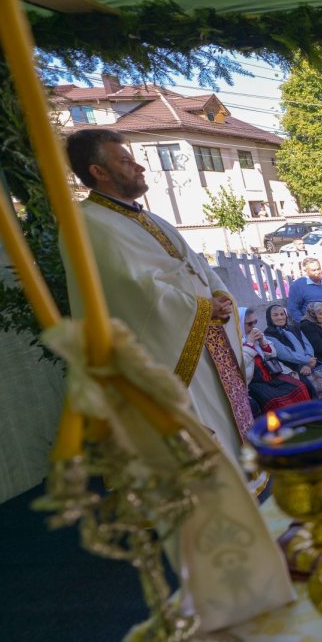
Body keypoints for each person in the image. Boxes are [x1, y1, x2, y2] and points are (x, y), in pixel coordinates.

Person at [64, 129, 252, 455]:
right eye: (126, 162)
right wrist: (203, 308)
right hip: (172, 349)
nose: (139, 168)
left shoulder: (150, 217)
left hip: (208, 339)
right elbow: (132, 291)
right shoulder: (87, 223)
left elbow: (198, 265)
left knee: (230, 427)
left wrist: (221, 296)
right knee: (201, 435)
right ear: (99, 171)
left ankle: (248, 482)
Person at [241, 307, 312, 413]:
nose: (253, 327)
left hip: (272, 374)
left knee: (300, 387)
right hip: (256, 381)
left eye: (255, 323)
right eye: (249, 324)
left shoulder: (293, 328)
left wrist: (263, 343)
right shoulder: (234, 342)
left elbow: (272, 354)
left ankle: (306, 417)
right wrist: (250, 343)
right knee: (276, 400)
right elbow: (240, 364)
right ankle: (288, 426)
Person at [264, 305, 321, 398]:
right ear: (269, 318)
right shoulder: (269, 334)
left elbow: (307, 345)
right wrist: (307, 361)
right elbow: (285, 354)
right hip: (291, 368)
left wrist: (308, 364)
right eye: (275, 315)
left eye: (282, 314)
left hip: (307, 364)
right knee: (307, 385)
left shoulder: (293, 327)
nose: (280, 317)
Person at [299, 301, 322, 398]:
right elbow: (319, 348)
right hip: (320, 357)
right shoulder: (306, 325)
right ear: (312, 314)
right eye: (321, 313)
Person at [288, 257, 322, 322]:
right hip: (316, 326)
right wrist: (304, 324)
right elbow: (293, 309)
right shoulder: (298, 286)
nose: (318, 272)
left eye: (319, 269)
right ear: (306, 271)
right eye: (314, 270)